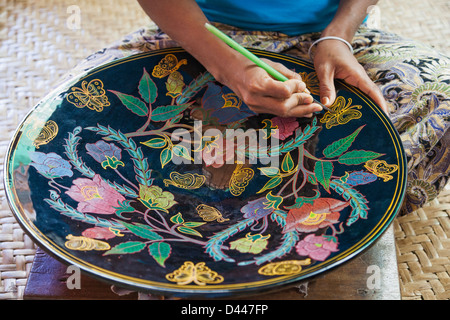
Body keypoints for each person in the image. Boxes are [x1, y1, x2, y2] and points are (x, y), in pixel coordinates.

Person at [69, 0, 449, 215]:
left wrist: (339, 35)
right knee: (77, 108)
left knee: (440, 98)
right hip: (202, 30)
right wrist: (230, 66)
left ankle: (326, 216)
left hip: (328, 33)